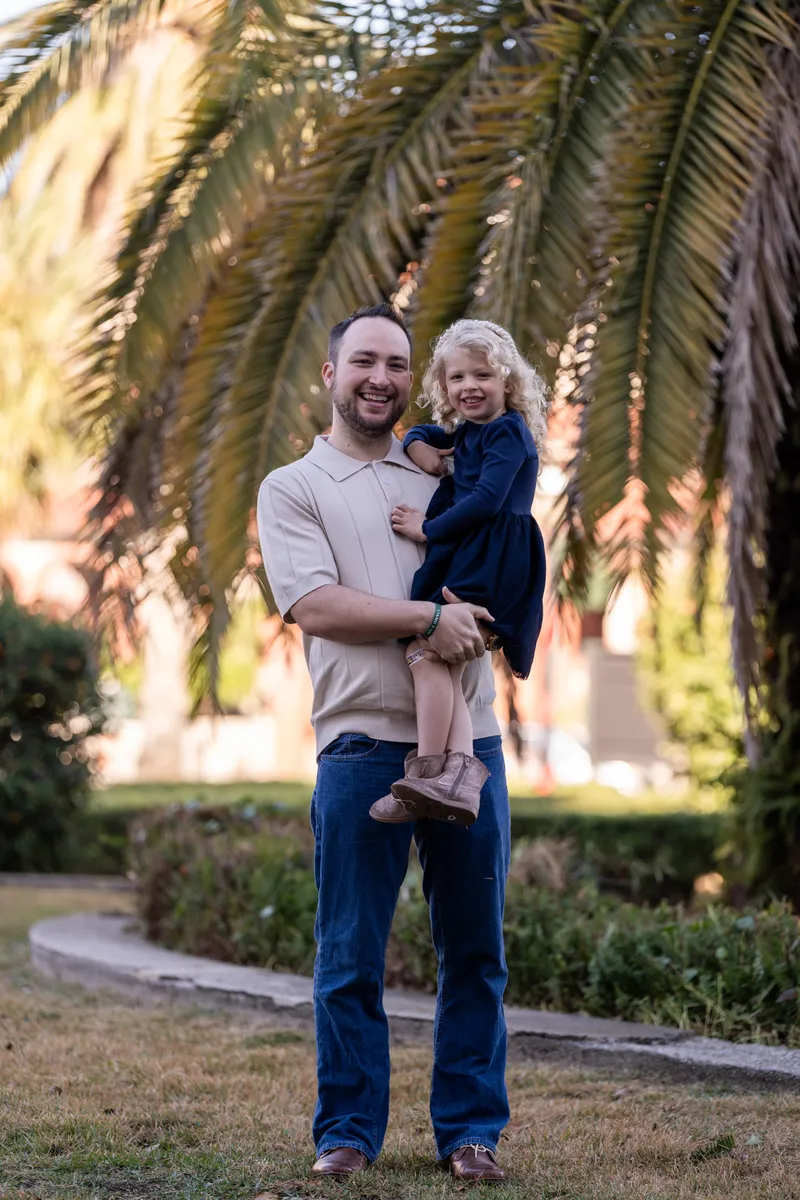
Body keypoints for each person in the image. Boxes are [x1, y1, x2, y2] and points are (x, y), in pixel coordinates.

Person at [257, 304, 511, 1183]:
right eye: (363, 361)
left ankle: (471, 1134)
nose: (381, 379)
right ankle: (348, 1133)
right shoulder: (295, 486)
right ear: (329, 375)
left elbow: (508, 550)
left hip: (470, 742)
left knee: (476, 951)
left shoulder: (452, 475)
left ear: (417, 380)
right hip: (362, 745)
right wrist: (429, 616)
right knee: (349, 955)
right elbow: (315, 604)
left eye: (398, 365)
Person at [369, 319, 547, 828]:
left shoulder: (509, 431)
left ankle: (429, 774)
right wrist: (417, 443)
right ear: (444, 387)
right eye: (457, 378)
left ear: (507, 382)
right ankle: (451, 777)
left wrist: (429, 529)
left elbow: (488, 500)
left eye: (483, 376)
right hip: (478, 554)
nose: (469, 386)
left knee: (425, 653)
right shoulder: (472, 431)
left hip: (495, 557)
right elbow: (434, 435)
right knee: (436, 658)